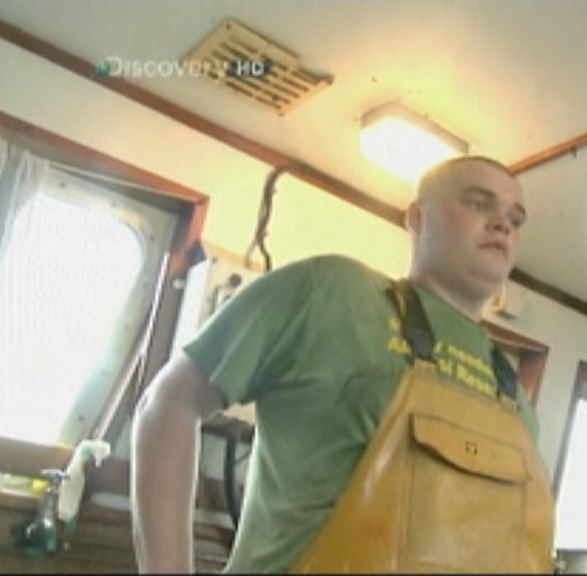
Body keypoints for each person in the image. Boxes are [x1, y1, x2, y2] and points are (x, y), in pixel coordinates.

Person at [130, 156, 555, 574]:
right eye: (478, 203)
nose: (502, 225)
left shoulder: (517, 401)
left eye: (515, 219)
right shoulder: (330, 292)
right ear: (417, 218)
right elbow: (170, 402)